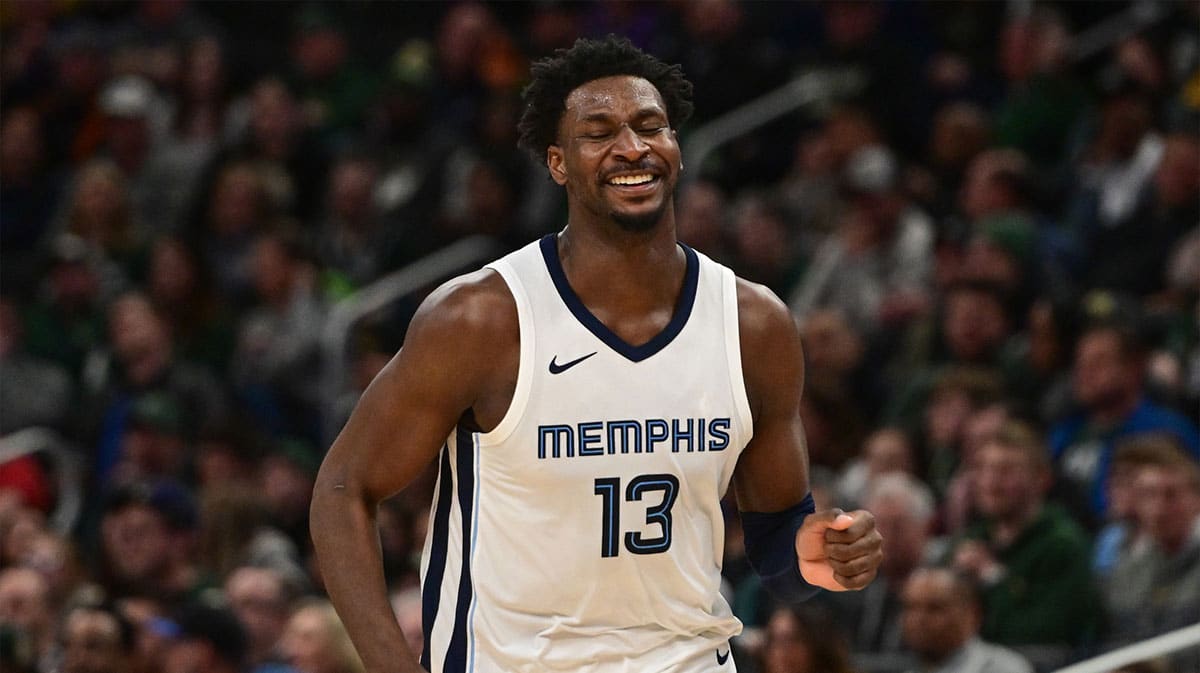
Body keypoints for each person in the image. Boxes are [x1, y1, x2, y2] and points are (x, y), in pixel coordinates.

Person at [311, 36, 882, 673]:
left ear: (677, 149)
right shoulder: (482, 319)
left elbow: (780, 540)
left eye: (649, 126)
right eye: (599, 131)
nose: (632, 147)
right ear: (557, 163)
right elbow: (342, 490)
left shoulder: (753, 325)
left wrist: (824, 558)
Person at [900, 567, 1033, 673]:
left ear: (971, 614)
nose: (918, 619)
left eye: (935, 608)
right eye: (910, 608)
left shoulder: (1004, 668)